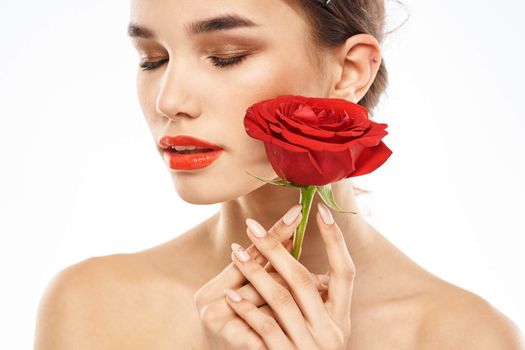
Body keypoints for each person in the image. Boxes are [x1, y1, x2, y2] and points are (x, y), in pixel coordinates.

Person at [34, 0, 524, 349]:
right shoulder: (93, 305)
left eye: (226, 56)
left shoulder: (465, 337)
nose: (169, 101)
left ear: (350, 71)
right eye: (152, 60)